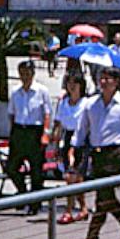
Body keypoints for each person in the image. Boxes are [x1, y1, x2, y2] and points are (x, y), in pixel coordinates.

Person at [73, 66, 120, 239]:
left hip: (115, 154)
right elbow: (82, 130)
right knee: (106, 197)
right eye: (101, 78)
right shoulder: (90, 103)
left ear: (116, 82)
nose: (103, 82)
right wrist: (75, 150)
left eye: (107, 79)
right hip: (97, 154)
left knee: (102, 199)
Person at [6, 60, 53, 214]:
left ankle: (35, 203)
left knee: (36, 171)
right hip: (20, 131)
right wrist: (12, 134)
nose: (24, 76)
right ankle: (23, 192)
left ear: (33, 73)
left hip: (35, 131)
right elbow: (11, 114)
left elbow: (47, 113)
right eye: (22, 73)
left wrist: (46, 133)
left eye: (27, 73)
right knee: (11, 168)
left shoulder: (41, 91)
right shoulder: (15, 92)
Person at [54, 73, 89, 224]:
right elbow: (59, 125)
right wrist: (56, 145)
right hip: (67, 139)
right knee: (70, 177)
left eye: (75, 82)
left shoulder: (87, 103)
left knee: (75, 176)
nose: (72, 86)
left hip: (82, 139)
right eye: (69, 82)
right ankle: (82, 208)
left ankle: (70, 209)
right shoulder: (63, 103)